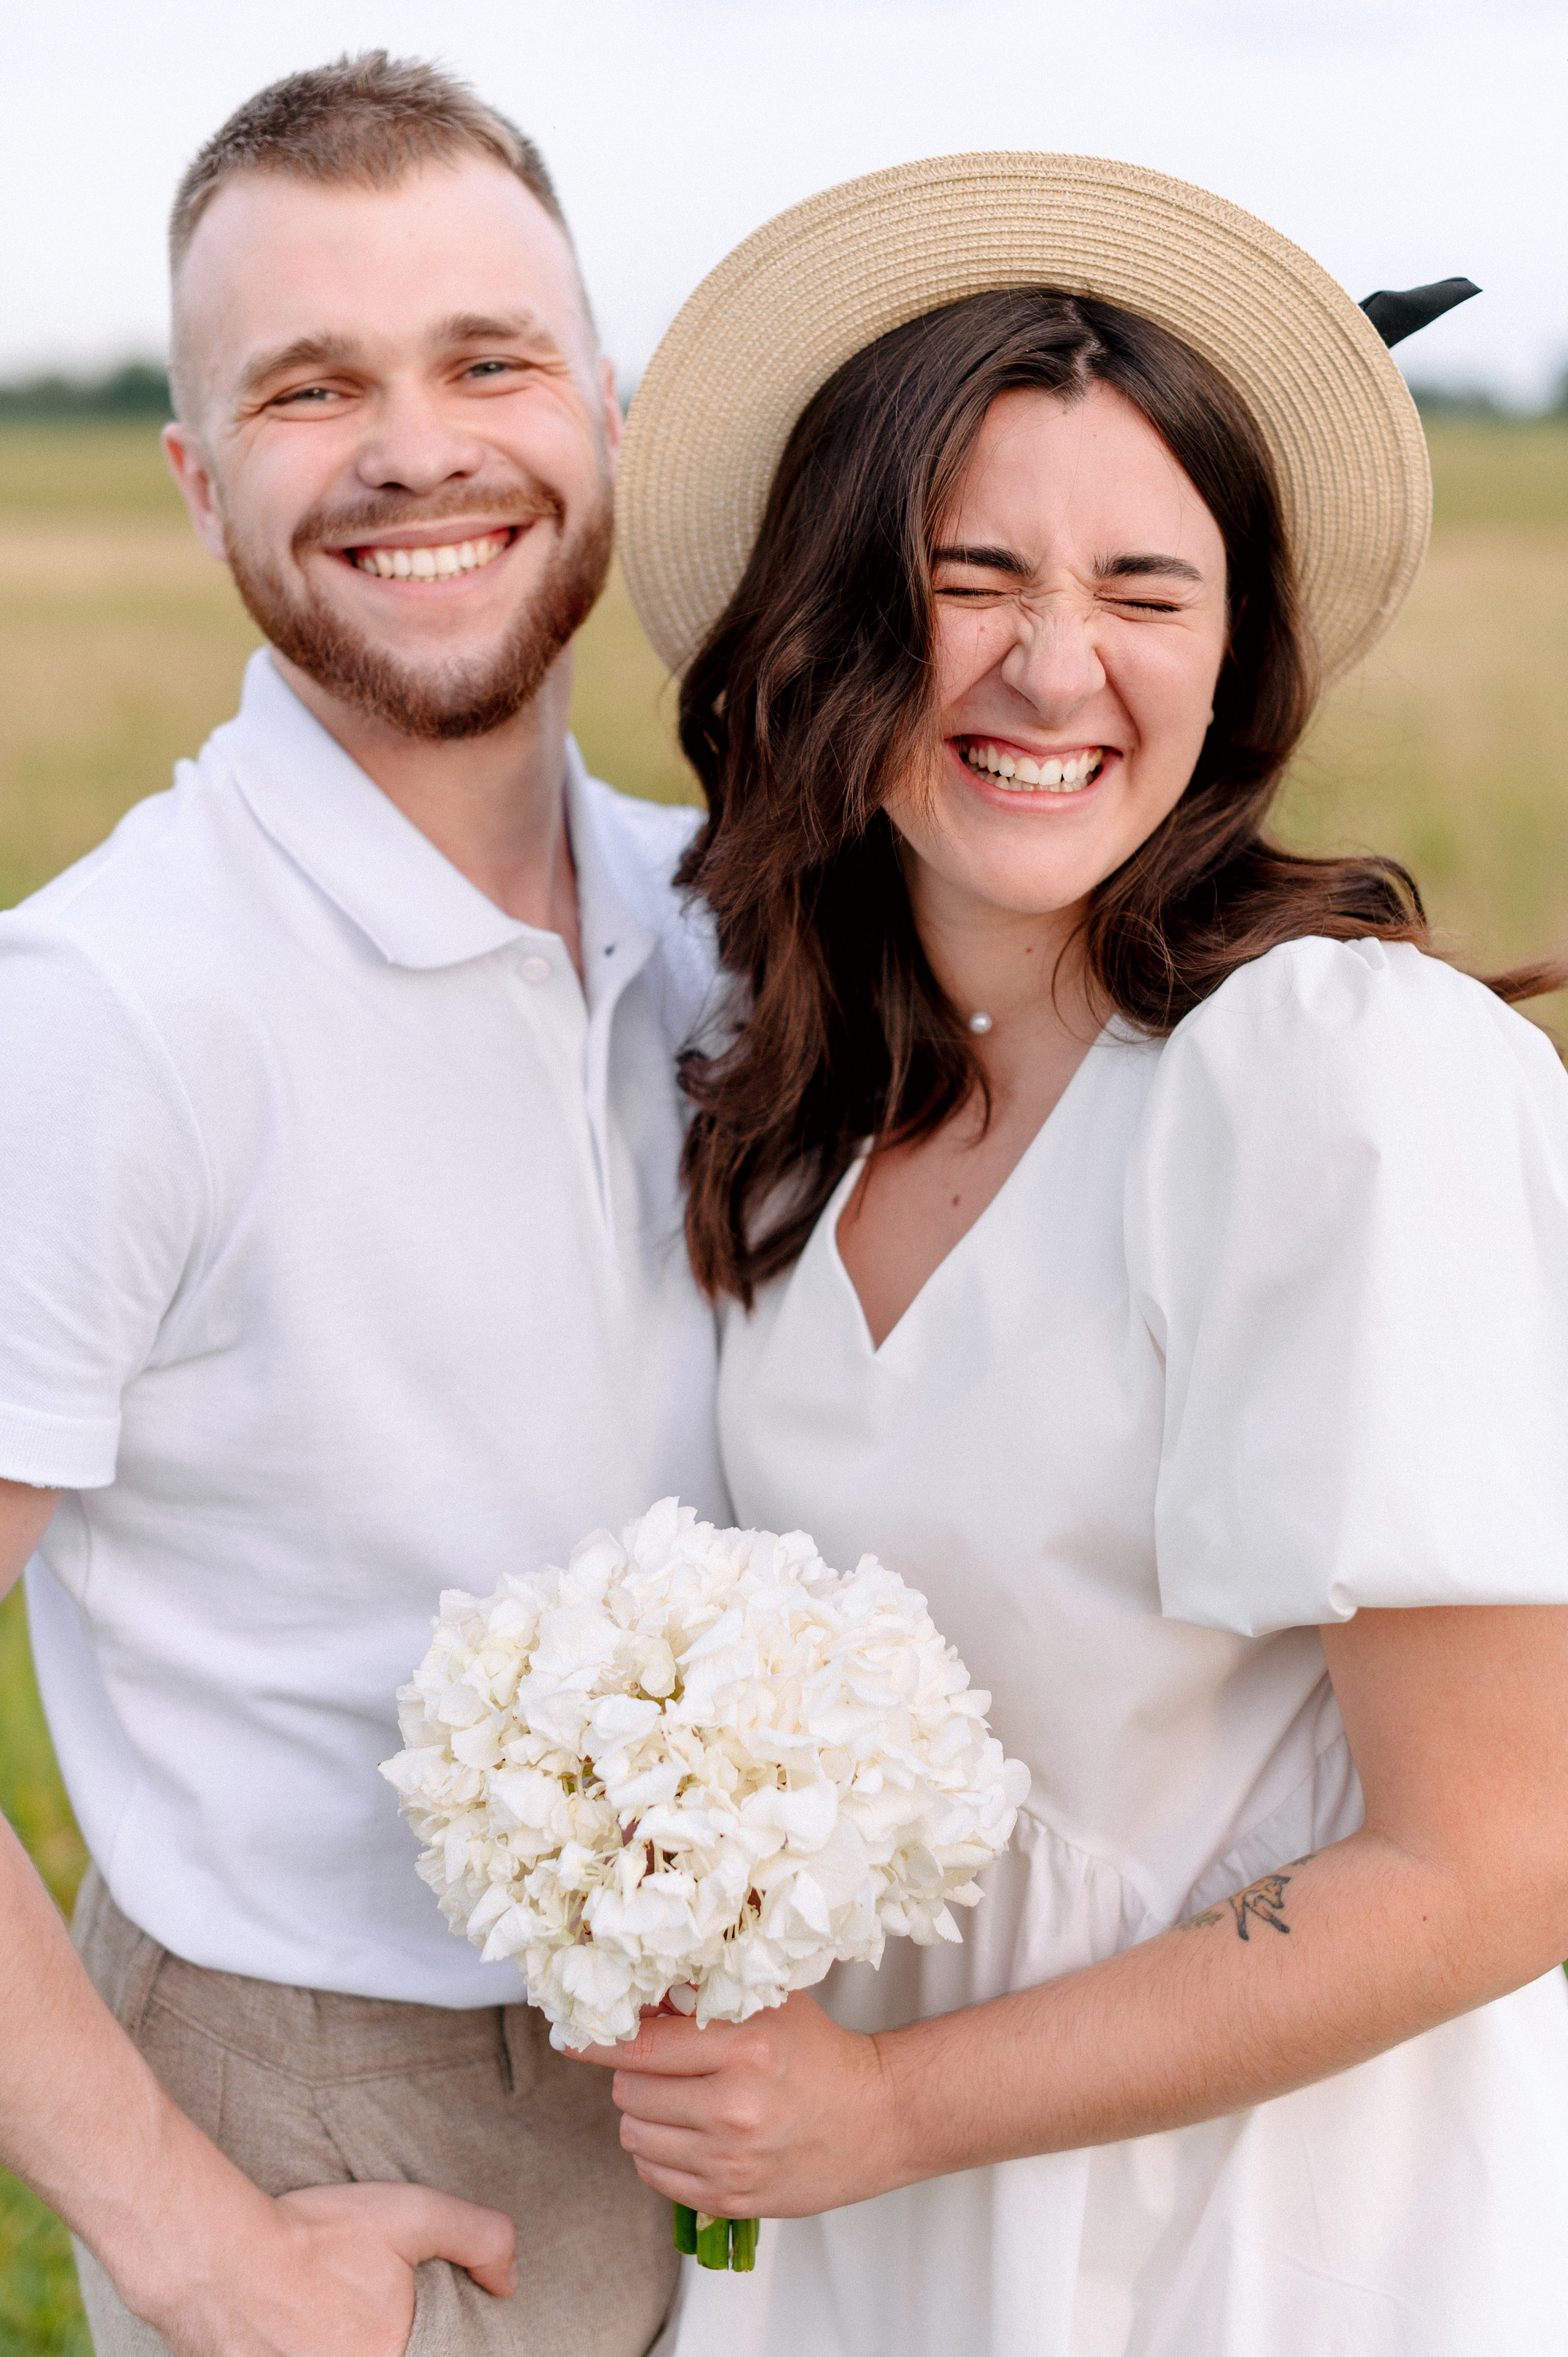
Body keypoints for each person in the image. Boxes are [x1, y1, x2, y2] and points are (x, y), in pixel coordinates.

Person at [584, 155, 1568, 2353]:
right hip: (869, 2229)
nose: (1055, 666)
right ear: (838, 615)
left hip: (1247, 2244)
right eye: (971, 575)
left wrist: (895, 2109)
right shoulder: (800, 1100)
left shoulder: (1325, 1074)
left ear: (1241, 648)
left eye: (1148, 585)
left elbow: (1497, 1863)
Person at [0, 51, 721, 2357]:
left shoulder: (718, 915)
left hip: (725, 2092)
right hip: (338, 2120)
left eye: (489, 360)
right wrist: (206, 2253)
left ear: (606, 406)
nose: (422, 449)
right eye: (316, 388)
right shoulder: (104, 1008)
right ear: (204, 477)